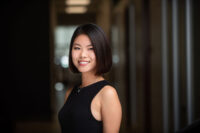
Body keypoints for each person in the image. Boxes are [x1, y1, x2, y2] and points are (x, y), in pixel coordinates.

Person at [58, 23, 122, 133]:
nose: (83, 55)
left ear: (101, 51)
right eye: (77, 48)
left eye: (91, 48)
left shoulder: (107, 93)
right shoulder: (70, 92)